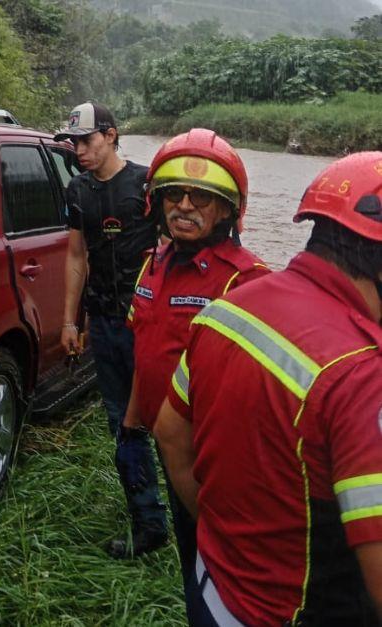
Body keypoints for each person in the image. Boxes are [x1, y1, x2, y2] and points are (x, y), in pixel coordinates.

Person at [155, 152, 382, 625]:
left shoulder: (227, 308)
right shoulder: (362, 374)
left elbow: (170, 433)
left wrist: (225, 539)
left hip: (212, 589)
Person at [124, 129, 269, 621]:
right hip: (168, 446)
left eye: (202, 197)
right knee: (193, 553)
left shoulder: (246, 280)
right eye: (174, 195)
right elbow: (144, 350)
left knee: (219, 562)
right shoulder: (153, 265)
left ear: (227, 211)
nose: (184, 205)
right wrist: (130, 423)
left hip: (214, 457)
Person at [59, 101, 167, 558]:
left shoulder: (147, 185)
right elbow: (76, 258)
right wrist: (70, 320)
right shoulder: (78, 191)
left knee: (171, 423)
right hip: (104, 324)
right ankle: (148, 522)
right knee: (122, 422)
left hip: (149, 326)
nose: (79, 150)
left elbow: (169, 254)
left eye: (86, 140)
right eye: (74, 143)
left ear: (111, 135)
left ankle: (199, 519)